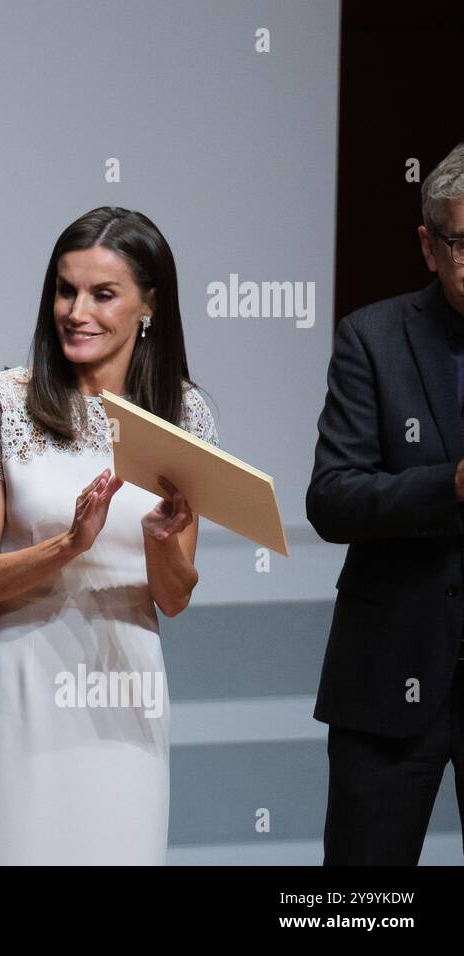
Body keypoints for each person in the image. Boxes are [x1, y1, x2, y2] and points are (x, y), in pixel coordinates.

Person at [0, 206, 218, 864]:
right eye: (66, 290)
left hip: (127, 691)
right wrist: (68, 545)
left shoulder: (182, 413)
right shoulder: (2, 402)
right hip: (23, 689)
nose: (76, 310)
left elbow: (174, 598)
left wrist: (157, 539)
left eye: (103, 294)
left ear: (149, 306)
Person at [307, 142, 464, 865]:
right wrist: (449, 485)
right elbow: (333, 498)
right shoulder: (371, 338)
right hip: (390, 673)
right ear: (428, 247)